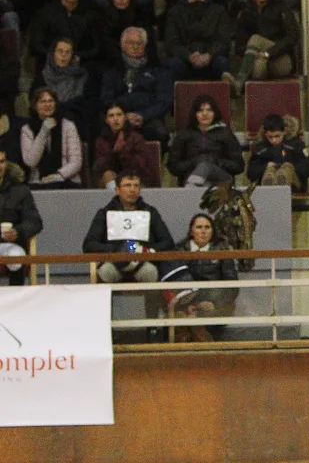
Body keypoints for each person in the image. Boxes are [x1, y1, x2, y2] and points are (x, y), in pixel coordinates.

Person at [84, 171, 175, 292]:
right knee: (105, 272)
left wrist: (145, 250)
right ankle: (105, 311)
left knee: (150, 272)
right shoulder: (104, 213)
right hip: (114, 262)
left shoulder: (150, 212)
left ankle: (151, 312)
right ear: (117, 190)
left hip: (142, 262)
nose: (132, 189)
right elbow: (89, 244)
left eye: (136, 185)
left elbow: (168, 242)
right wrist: (115, 250)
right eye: (127, 185)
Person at [159, 213, 239, 342]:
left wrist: (214, 303)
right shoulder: (179, 251)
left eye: (207, 227)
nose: (203, 231)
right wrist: (187, 305)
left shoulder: (223, 251)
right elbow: (172, 285)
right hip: (184, 304)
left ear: (212, 231)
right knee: (182, 319)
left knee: (189, 323)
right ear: (191, 231)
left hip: (212, 303)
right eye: (199, 227)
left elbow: (232, 286)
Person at [100, 27, 173, 149]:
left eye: (139, 43)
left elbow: (165, 100)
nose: (135, 47)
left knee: (159, 132)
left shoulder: (157, 71)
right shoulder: (112, 72)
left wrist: (143, 115)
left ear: (144, 46)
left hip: (148, 118)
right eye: (130, 43)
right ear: (122, 45)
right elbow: (106, 99)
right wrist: (122, 116)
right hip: (118, 118)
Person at [225, 0, 298, 96]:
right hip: (259, 59)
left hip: (281, 59)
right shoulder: (246, 13)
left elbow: (293, 36)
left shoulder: (281, 6)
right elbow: (239, 47)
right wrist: (254, 52)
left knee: (255, 39)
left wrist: (268, 52)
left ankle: (238, 83)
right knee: (258, 67)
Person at [163, 0, 233, 83]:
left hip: (211, 59)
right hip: (185, 60)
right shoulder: (175, 12)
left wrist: (209, 55)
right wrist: (189, 56)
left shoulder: (218, 11)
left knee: (222, 63)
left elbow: (223, 40)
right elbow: (171, 43)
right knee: (173, 65)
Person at [28, 0, 100, 73]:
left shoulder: (91, 15)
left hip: (80, 66)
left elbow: (96, 48)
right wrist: (57, 56)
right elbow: (35, 46)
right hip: (50, 66)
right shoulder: (45, 13)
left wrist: (77, 56)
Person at [169, 94, 243, 186]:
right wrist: (195, 162)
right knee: (203, 166)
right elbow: (173, 166)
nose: (205, 114)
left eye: (209, 110)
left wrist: (216, 161)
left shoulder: (226, 133)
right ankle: (195, 184)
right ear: (195, 114)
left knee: (205, 165)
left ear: (215, 113)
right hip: (190, 175)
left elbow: (239, 166)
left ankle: (192, 190)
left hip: (222, 181)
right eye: (200, 110)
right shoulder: (184, 135)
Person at [19, 88, 83, 189]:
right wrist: (43, 131)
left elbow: (76, 162)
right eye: (43, 101)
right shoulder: (27, 129)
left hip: (66, 180)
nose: (48, 105)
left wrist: (59, 175)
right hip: (38, 182)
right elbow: (31, 162)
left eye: (51, 101)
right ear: (35, 105)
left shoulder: (68, 125)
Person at [0, 141, 42, 286]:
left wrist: (18, 232)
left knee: (16, 257)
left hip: (9, 244)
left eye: (1, 161)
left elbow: (35, 222)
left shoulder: (20, 191)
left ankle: (15, 301)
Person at [93, 102, 154, 188]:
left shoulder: (136, 138)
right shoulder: (101, 141)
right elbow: (100, 168)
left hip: (133, 176)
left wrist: (123, 153)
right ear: (106, 120)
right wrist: (114, 153)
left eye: (119, 115)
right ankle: (116, 201)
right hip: (112, 179)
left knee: (131, 179)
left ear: (125, 117)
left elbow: (141, 166)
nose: (115, 119)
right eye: (111, 116)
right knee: (108, 175)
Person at [247, 113, 309, 191]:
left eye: (277, 136)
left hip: (293, 184)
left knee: (286, 169)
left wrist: (290, 166)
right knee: (270, 171)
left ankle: (281, 179)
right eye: (270, 137)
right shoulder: (260, 149)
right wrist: (266, 166)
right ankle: (270, 181)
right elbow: (250, 172)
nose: (274, 140)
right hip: (264, 184)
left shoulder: (296, 145)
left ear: (284, 131)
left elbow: (308, 169)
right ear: (265, 134)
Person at [98, 0, 155, 64]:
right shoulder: (102, 16)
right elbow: (105, 43)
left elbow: (148, 41)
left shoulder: (141, 15)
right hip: (112, 60)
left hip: (140, 57)